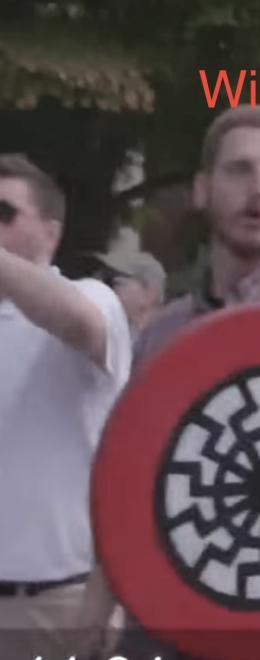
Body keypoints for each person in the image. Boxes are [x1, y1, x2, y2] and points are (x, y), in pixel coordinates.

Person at [78, 106, 260, 660]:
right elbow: (134, 480)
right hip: (162, 619)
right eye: (240, 170)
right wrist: (96, 605)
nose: (258, 189)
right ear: (203, 189)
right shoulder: (162, 334)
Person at [0, 154, 132, 659]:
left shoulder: (92, 297)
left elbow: (80, 325)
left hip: (58, 607)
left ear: (51, 233)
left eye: (4, 212)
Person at [91, 243, 167, 336]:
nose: (103, 289)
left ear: (148, 293)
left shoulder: (166, 339)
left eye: (113, 283)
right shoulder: (117, 333)